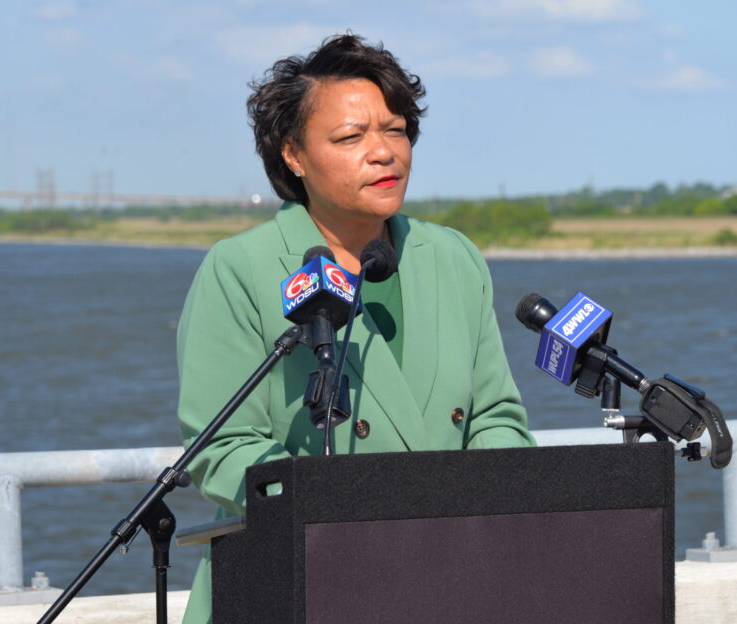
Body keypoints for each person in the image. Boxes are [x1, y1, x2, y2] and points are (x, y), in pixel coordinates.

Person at [175, 33, 535, 623]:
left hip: (444, 577)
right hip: (296, 577)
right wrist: (350, 517)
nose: (383, 152)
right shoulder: (241, 267)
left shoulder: (453, 256)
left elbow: (495, 419)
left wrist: (482, 510)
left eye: (395, 130)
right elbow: (223, 446)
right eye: (350, 137)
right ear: (293, 155)